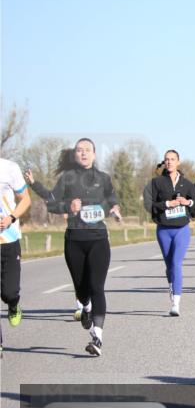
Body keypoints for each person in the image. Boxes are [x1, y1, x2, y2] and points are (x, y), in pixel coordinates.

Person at [46, 138, 123, 356]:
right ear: (75, 155)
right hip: (74, 241)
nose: (83, 153)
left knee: (97, 286)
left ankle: (97, 337)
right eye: (79, 150)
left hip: (99, 239)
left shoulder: (104, 178)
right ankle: (85, 307)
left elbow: (113, 199)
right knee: (81, 289)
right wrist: (67, 206)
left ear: (94, 154)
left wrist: (115, 209)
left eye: (87, 150)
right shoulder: (66, 179)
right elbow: (50, 203)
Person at [25, 157, 85, 320]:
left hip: (95, 235)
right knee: (77, 274)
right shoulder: (66, 181)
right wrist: (33, 183)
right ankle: (82, 306)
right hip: (74, 233)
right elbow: (51, 197)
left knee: (92, 275)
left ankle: (91, 303)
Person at [148, 150, 195, 316]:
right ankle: (171, 284)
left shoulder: (187, 184)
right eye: (167, 160)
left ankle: (176, 303)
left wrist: (188, 201)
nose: (169, 162)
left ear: (178, 162)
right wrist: (167, 204)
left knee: (177, 263)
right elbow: (152, 205)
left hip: (182, 229)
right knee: (169, 265)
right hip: (164, 229)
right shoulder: (157, 182)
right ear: (164, 162)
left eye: (172, 159)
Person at [1, 155, 32, 348]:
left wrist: (11, 217)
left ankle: (13, 305)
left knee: (9, 292)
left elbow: (25, 199)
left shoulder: (9, 168)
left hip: (8, 238)